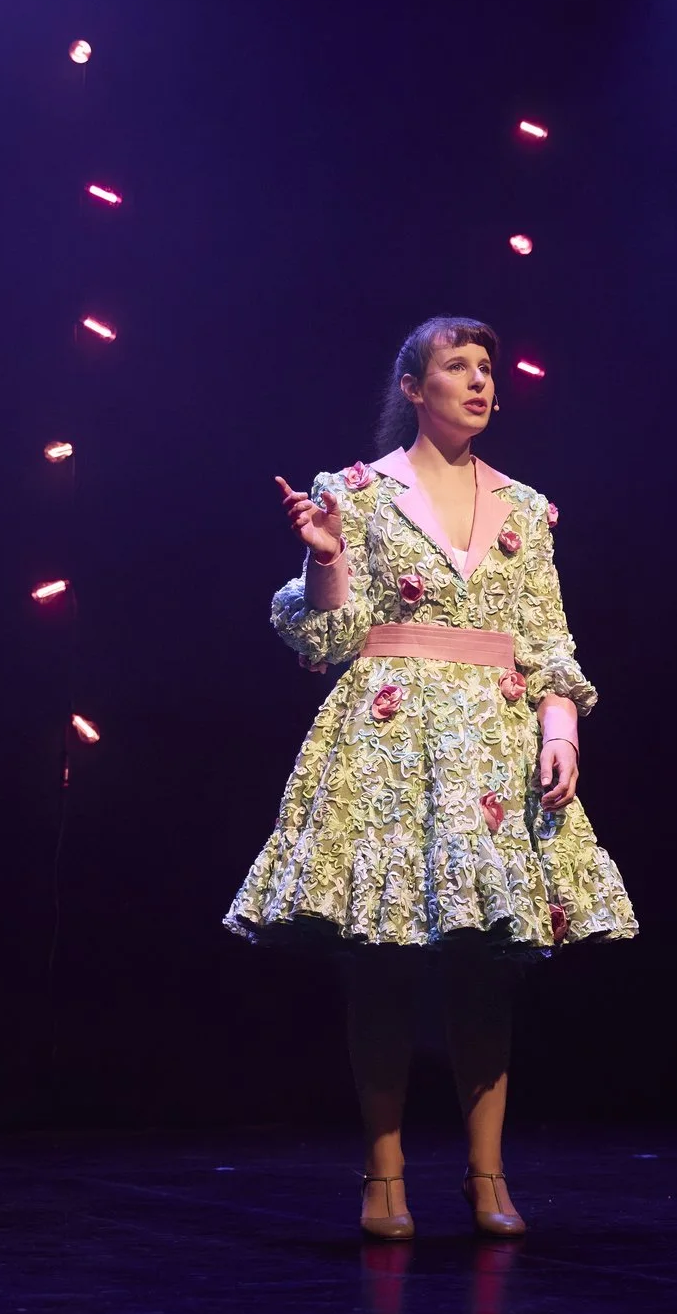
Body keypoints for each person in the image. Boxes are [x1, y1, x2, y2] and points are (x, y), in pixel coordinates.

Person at [225, 316, 638, 1240]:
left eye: (488, 367)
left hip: (491, 743)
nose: (480, 381)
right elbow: (326, 638)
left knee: (486, 967)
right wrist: (325, 557)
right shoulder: (360, 493)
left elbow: (547, 635)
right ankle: (384, 1173)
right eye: (458, 366)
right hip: (390, 738)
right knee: (379, 962)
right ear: (414, 387)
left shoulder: (526, 508)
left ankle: (486, 1174)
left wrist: (559, 724)